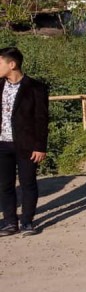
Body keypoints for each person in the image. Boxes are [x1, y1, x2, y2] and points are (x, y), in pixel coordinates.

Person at [0, 48, 49, 237]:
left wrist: (40, 146)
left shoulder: (36, 87)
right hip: (2, 143)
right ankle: (10, 222)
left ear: (12, 64)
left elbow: (41, 119)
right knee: (5, 185)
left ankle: (27, 221)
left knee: (28, 183)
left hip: (27, 145)